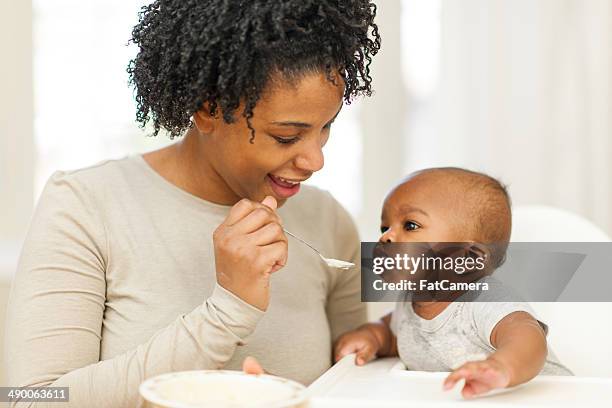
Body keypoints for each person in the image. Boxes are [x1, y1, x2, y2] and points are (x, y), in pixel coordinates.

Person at [5, 1, 381, 406]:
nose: (316, 161)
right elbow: (30, 399)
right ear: (208, 109)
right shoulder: (84, 206)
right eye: (287, 137)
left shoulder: (329, 221)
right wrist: (227, 311)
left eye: (326, 127)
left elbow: (358, 377)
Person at [334, 168, 571, 399]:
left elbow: (528, 339)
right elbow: (397, 337)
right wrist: (373, 338)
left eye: (410, 225)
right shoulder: (409, 304)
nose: (385, 237)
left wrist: (501, 368)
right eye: (385, 227)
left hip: (549, 398)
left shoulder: (484, 302)